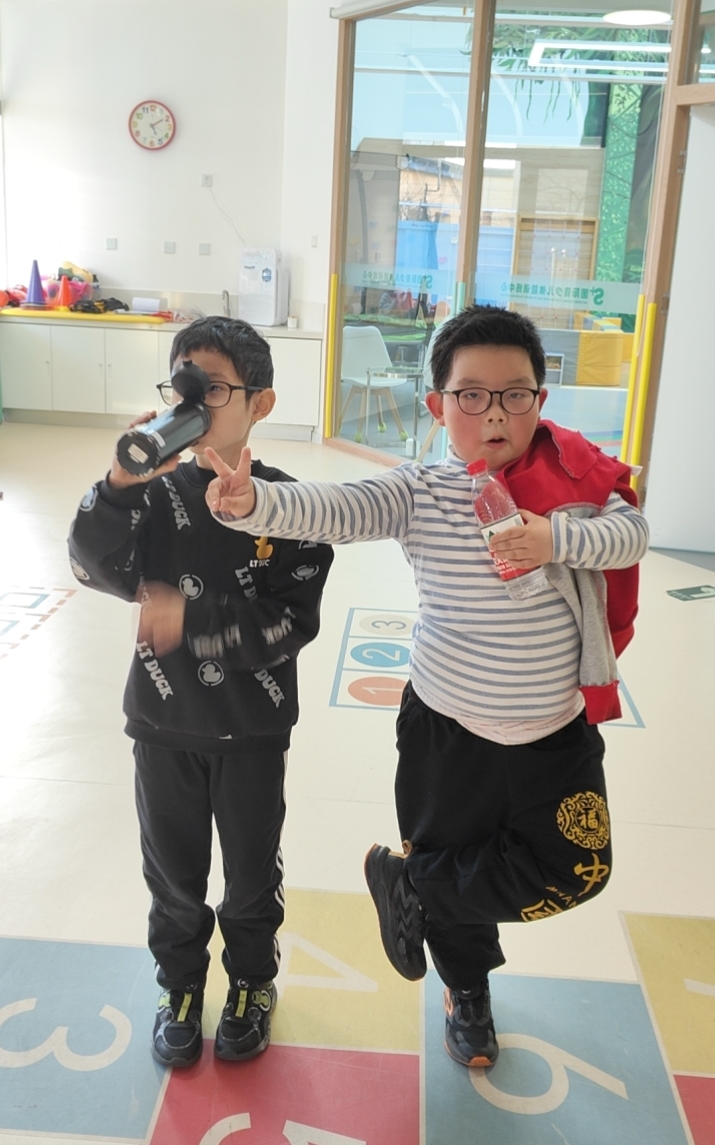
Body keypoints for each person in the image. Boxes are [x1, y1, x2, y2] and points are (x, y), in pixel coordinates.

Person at [203, 304, 648, 1071]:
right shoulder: (421, 491)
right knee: (459, 853)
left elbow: (629, 534)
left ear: (539, 401)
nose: (493, 413)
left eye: (513, 394)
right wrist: (254, 505)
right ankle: (466, 990)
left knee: (579, 865)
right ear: (438, 406)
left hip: (554, 731)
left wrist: (552, 536)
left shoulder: (570, 480)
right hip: (445, 731)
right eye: (470, 395)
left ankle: (410, 883)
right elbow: (336, 509)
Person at [69, 317, 333, 1069]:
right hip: (162, 725)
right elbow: (93, 566)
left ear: (261, 403)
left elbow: (288, 625)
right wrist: (118, 487)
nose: (190, 405)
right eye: (181, 387)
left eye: (211, 389)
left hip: (252, 732)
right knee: (172, 877)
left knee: (250, 876)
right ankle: (180, 985)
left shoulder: (293, 508)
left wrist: (193, 619)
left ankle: (251, 981)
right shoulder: (155, 495)